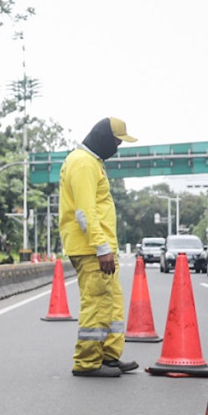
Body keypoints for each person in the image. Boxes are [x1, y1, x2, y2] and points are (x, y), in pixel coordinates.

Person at [58, 117, 140, 378]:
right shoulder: (82, 163)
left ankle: (108, 355)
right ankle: (87, 362)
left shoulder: (93, 163)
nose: (117, 148)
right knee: (96, 302)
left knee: (111, 301)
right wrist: (101, 248)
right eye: (116, 142)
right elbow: (85, 212)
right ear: (105, 139)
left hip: (100, 247)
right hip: (92, 248)